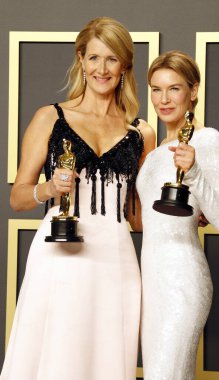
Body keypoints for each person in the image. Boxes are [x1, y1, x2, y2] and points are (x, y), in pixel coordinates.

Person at [1, 17, 155, 380]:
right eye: (94, 58)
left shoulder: (141, 133)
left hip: (116, 262)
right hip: (59, 258)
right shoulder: (50, 119)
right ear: (81, 61)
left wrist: (184, 214)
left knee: (107, 361)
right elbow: (18, 198)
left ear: (124, 67)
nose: (102, 69)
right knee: (57, 355)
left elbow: (136, 217)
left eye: (112, 59)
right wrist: (49, 189)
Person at [136, 50, 219, 380]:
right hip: (149, 283)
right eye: (156, 89)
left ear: (193, 91)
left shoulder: (207, 140)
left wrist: (193, 172)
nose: (163, 99)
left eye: (174, 88)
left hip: (182, 282)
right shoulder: (152, 155)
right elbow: (147, 220)